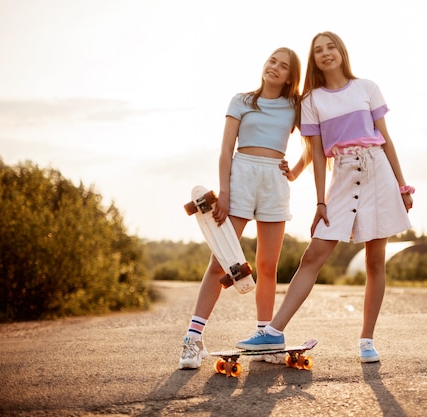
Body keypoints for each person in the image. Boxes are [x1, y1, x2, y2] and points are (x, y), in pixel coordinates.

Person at [236, 32, 415, 363]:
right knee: (313, 255)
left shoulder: (367, 88)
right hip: (343, 175)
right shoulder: (311, 101)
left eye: (330, 46)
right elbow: (316, 152)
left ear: (342, 51)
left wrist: (402, 186)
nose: (325, 53)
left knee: (375, 260)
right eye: (318, 50)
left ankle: (366, 340)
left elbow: (385, 139)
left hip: (378, 173)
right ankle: (273, 333)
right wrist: (319, 201)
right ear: (314, 60)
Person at [178, 47, 310, 369]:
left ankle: (265, 337)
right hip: (241, 177)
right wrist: (224, 191)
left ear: (291, 76)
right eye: (271, 61)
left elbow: (314, 145)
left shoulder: (295, 106)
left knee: (267, 264)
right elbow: (225, 150)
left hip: (274, 184)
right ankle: (193, 341)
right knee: (221, 262)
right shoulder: (242, 101)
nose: (274, 68)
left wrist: (294, 172)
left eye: (283, 66)